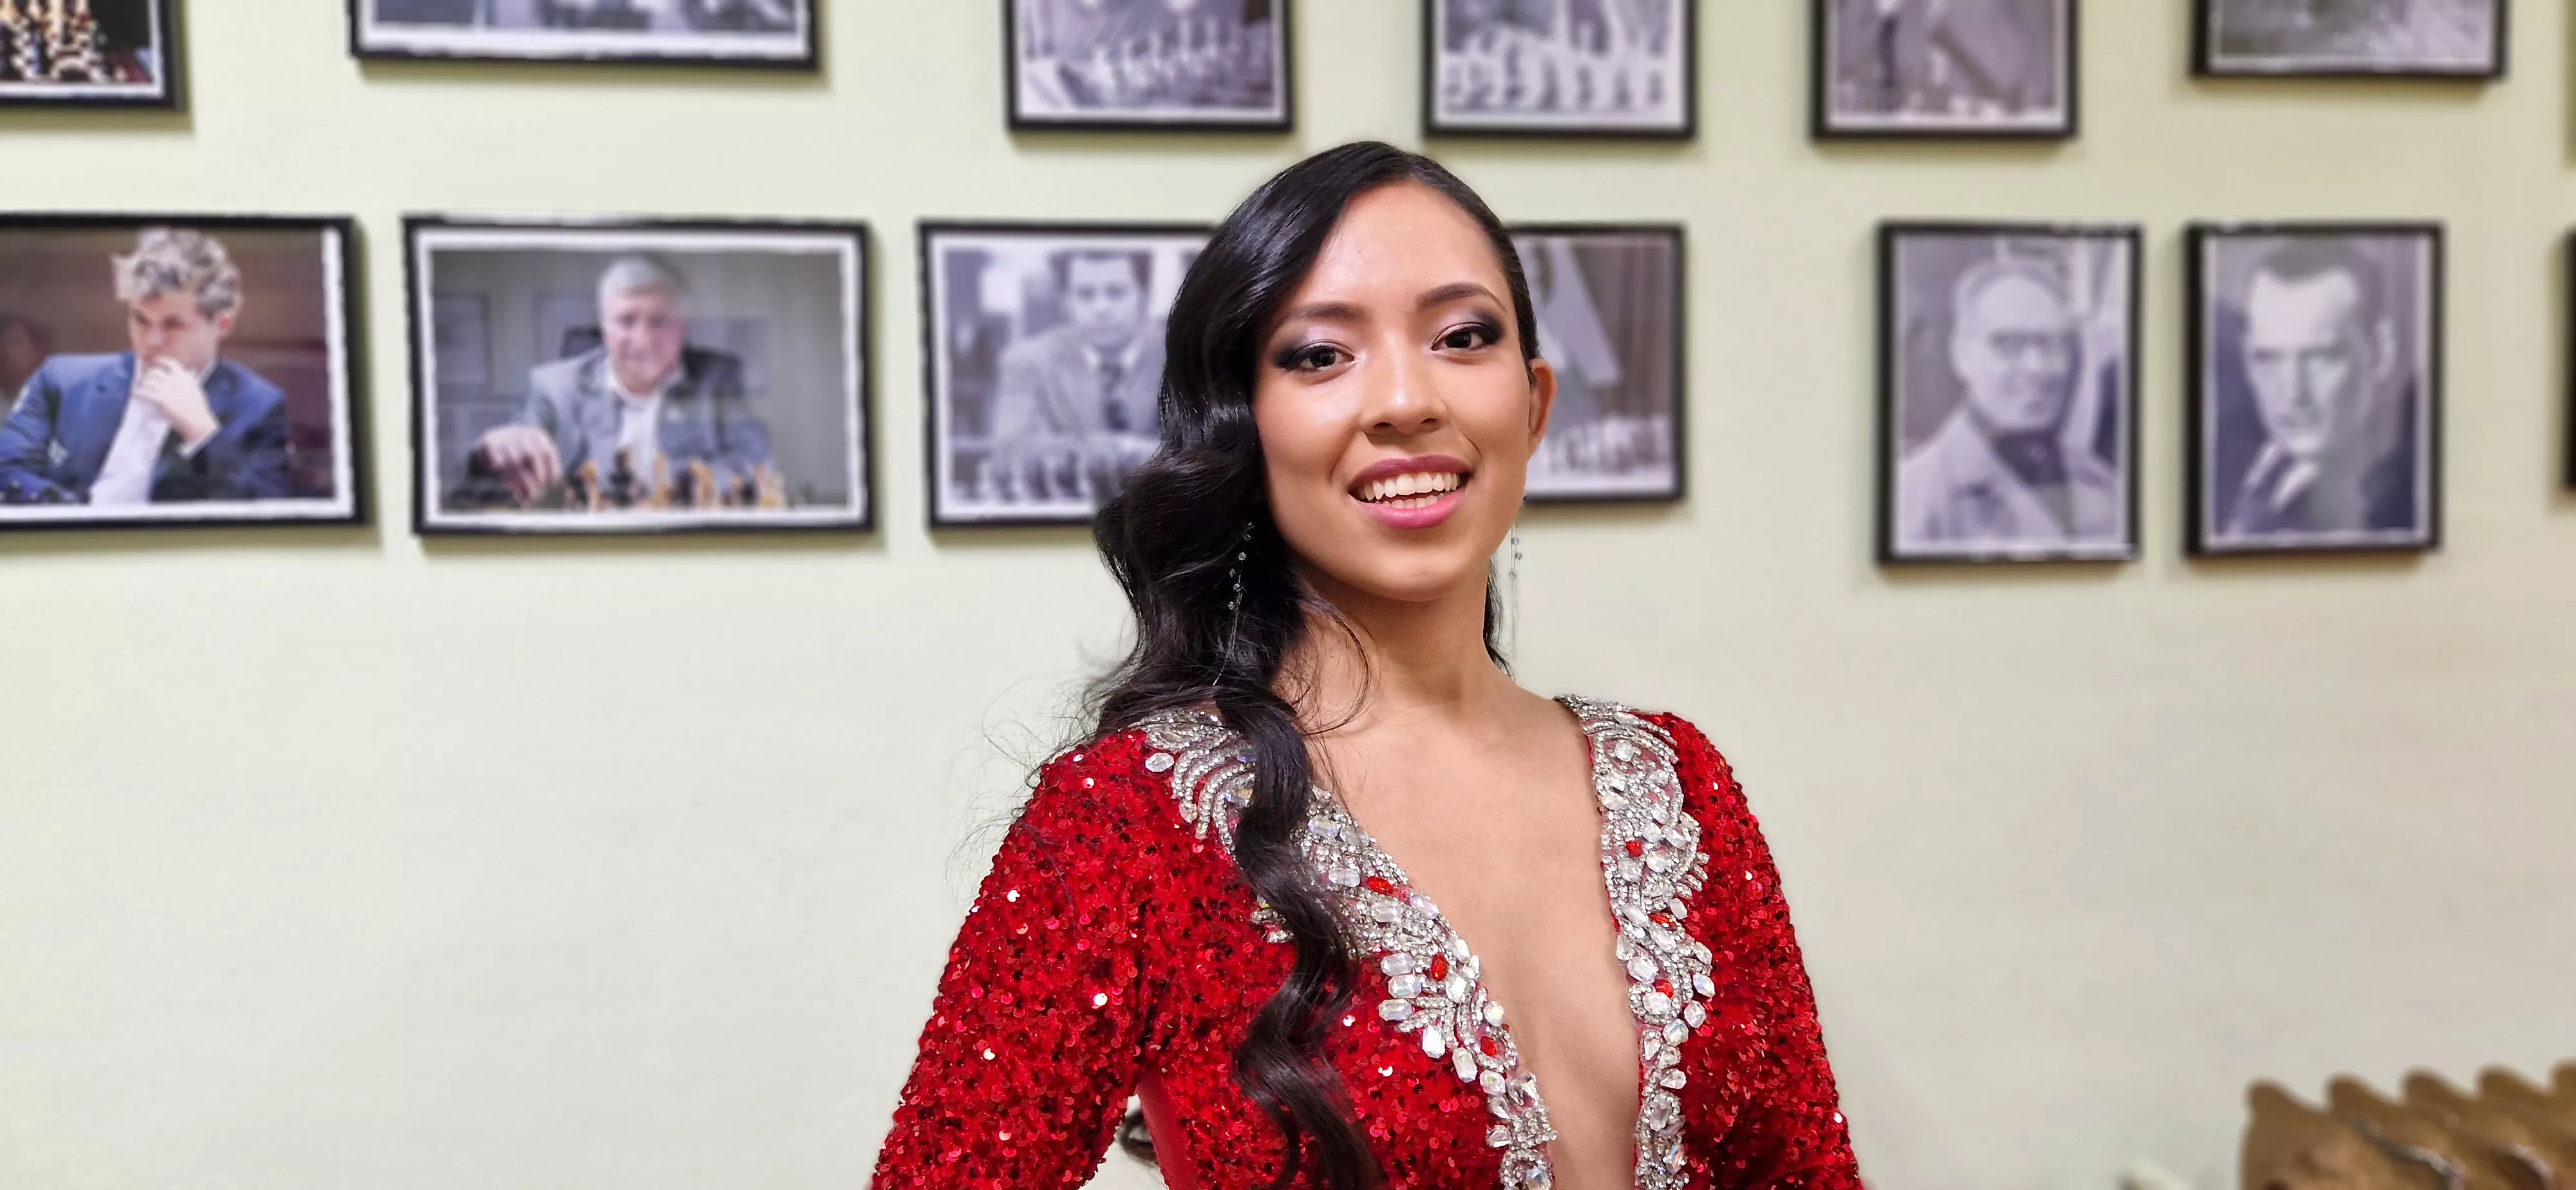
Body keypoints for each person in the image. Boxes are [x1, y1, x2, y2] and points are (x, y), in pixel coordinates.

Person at [873, 143, 1859, 1189]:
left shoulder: (1677, 780)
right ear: (1241, 426)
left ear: (1534, 404)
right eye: (1319, 354)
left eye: (1461, 335)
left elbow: (1808, 1172)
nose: (1403, 398)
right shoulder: (1131, 818)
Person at [0, 228, 290, 506]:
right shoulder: (62, 380)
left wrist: (202, 433)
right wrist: (82, 522)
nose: (151, 341)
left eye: (173, 325)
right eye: (140, 320)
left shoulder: (260, 406)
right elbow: (6, 470)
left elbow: (265, 515)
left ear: (222, 325)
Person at [467, 254, 772, 505]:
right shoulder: (556, 386)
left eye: (659, 321)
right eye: (626, 321)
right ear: (604, 327)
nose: (643, 339)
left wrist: (674, 491)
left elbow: (755, 461)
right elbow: (512, 460)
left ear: (682, 327)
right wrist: (493, 451)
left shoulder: (716, 379)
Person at [1895, 256, 2122, 552]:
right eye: (2010, 344)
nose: (2038, 367)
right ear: (1962, 354)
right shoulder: (1910, 497)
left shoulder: (2106, 484)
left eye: (2053, 344)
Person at [2217, 239, 2418, 542]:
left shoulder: (2404, 500)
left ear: (2380, 354)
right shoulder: (2236, 464)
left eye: (2322, 358)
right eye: (2268, 358)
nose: (2293, 393)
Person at [986, 248, 1164, 505]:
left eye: (1116, 292)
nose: (1101, 308)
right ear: (1065, 302)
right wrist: (1112, 451)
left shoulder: (1178, 357)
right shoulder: (1028, 361)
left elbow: (1203, 449)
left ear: (1144, 297)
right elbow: (1009, 449)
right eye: (1085, 294)